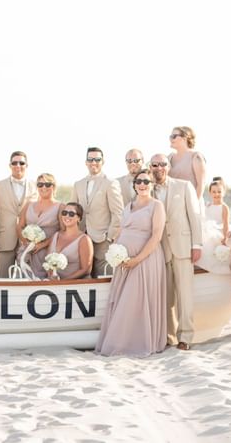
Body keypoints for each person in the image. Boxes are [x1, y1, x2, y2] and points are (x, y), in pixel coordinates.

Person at [96, 169, 167, 356]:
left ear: (152, 185)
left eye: (146, 181)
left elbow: (156, 236)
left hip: (145, 260)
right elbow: (120, 231)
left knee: (135, 300)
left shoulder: (156, 206)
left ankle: (134, 344)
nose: (142, 184)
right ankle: (120, 342)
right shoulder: (128, 206)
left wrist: (137, 259)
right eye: (139, 181)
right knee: (123, 301)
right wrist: (116, 253)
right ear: (134, 185)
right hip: (124, 261)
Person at [150, 154, 202, 351]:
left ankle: (185, 337)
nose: (159, 168)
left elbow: (194, 216)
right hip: (159, 250)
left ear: (168, 167)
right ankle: (169, 337)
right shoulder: (146, 189)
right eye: (155, 165)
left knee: (185, 295)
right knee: (166, 297)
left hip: (183, 247)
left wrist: (197, 244)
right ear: (150, 167)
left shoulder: (184, 186)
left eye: (163, 164)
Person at [72, 147, 124, 277]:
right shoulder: (78, 184)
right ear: (86, 162)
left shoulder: (110, 183)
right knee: (83, 278)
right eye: (90, 159)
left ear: (103, 161)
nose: (93, 162)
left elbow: (118, 213)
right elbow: (73, 209)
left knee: (103, 277)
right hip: (82, 238)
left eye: (97, 159)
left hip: (103, 240)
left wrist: (109, 237)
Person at [0, 151, 37, 277]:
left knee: (27, 278)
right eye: (14, 163)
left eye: (21, 163)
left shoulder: (36, 186)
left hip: (27, 240)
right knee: (1, 278)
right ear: (10, 165)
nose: (18, 165)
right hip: (4, 240)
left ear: (26, 165)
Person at [16, 173, 61, 278]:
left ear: (53, 187)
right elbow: (19, 226)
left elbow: (62, 231)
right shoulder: (28, 205)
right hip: (26, 250)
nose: (43, 187)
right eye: (40, 184)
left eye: (47, 184)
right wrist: (26, 243)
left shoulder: (60, 206)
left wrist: (42, 245)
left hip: (47, 252)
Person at [41, 202, 92, 280]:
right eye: (64, 213)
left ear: (79, 218)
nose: (67, 216)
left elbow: (86, 269)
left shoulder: (84, 239)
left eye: (71, 214)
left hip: (75, 285)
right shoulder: (56, 236)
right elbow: (48, 261)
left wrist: (64, 281)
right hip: (53, 285)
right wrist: (52, 276)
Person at [198, 177, 231, 274]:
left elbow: (226, 224)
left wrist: (225, 238)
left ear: (223, 192)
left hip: (218, 232)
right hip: (208, 231)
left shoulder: (224, 207)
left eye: (219, 192)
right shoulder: (208, 206)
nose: (217, 194)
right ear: (210, 193)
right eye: (214, 192)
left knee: (214, 243)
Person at [168, 127, 207, 202]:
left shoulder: (196, 157)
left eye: (174, 136)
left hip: (190, 203)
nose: (170, 139)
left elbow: (201, 185)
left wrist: (193, 205)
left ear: (184, 138)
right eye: (170, 136)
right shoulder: (169, 157)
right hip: (172, 204)